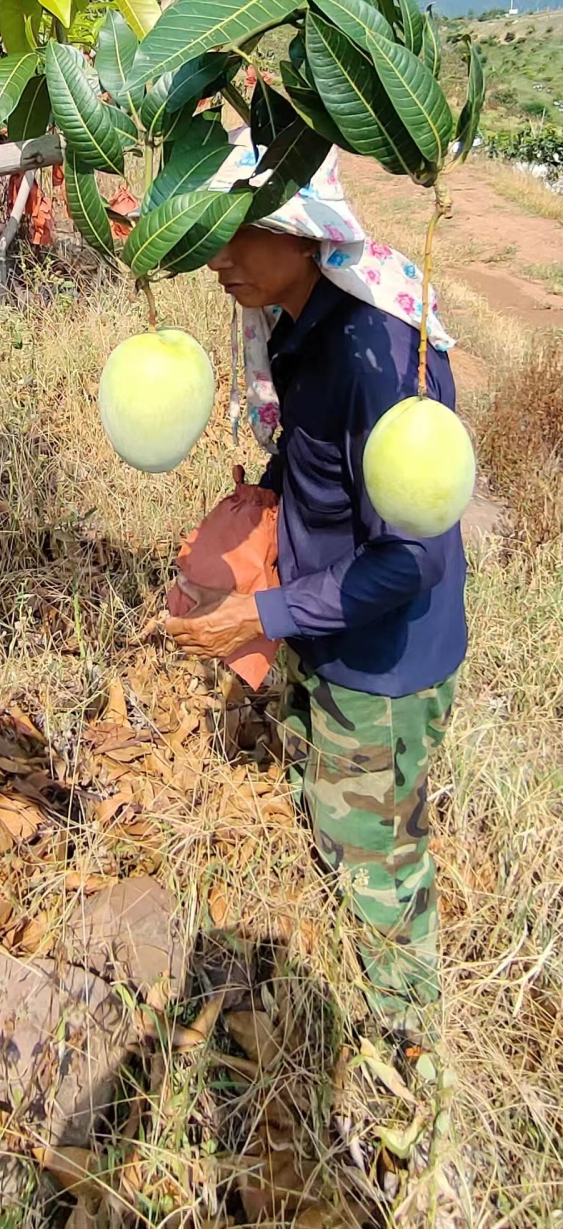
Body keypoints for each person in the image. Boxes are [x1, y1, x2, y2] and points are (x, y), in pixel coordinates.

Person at [167, 136, 468, 1037]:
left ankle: (410, 1071)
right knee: (337, 822)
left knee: (381, 876)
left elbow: (407, 558)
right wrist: (265, 496)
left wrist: (260, 613)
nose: (220, 258)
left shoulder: (379, 353)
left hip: (382, 669)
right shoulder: (298, 320)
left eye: (241, 233)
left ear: (307, 236)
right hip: (330, 639)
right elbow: (318, 459)